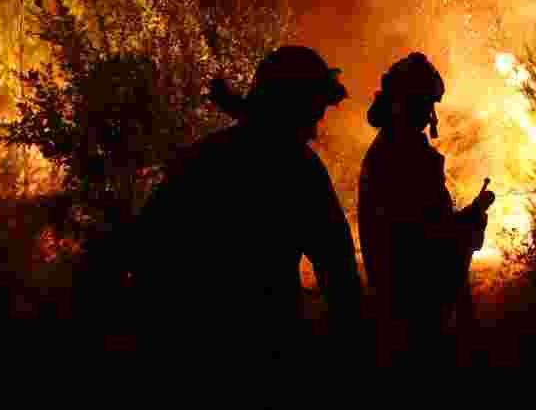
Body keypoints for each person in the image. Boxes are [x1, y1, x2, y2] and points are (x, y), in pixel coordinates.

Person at [133, 46, 364, 371]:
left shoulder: (204, 159)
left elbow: (146, 248)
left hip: (193, 353)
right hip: (267, 352)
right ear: (296, 105)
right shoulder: (298, 171)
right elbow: (339, 274)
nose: (318, 121)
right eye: (314, 108)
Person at [357, 52, 493, 368]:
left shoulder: (385, 149)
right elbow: (431, 239)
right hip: (417, 310)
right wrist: (471, 221)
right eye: (425, 103)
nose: (429, 113)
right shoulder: (408, 156)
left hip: (397, 306)